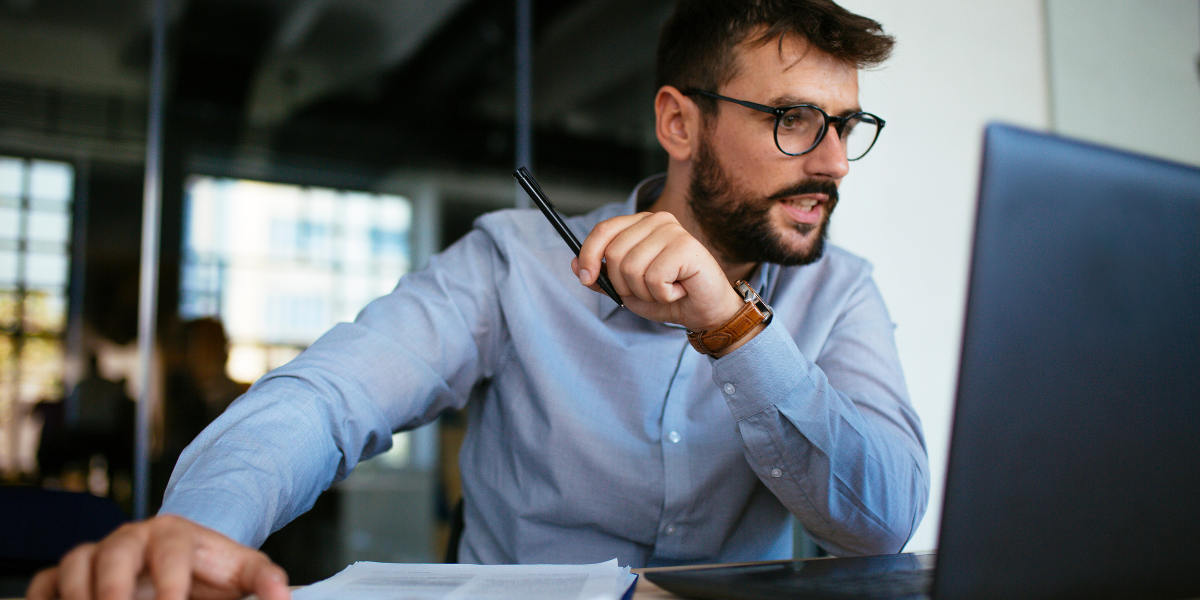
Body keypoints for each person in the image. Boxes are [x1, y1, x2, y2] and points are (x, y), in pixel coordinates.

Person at [27, 0, 928, 598]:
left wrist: (733, 329)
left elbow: (880, 523)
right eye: (795, 121)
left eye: (847, 126)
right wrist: (195, 531)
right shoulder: (515, 261)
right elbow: (329, 398)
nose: (835, 163)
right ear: (680, 122)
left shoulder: (841, 294)